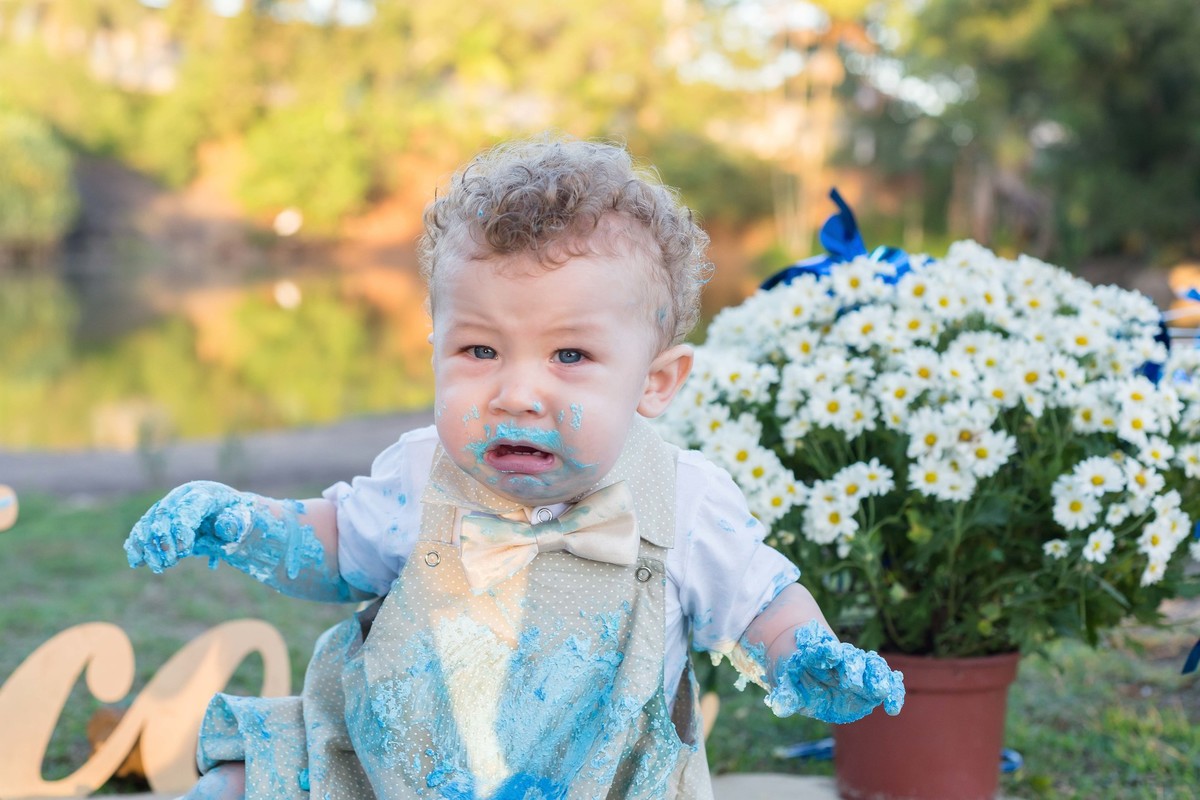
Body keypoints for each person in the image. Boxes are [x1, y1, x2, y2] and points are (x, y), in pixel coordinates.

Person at [124, 135, 904, 800]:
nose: (517, 392)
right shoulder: (421, 468)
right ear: (433, 350)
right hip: (381, 763)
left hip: (598, 783)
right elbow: (333, 548)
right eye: (479, 350)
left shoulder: (684, 498)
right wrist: (240, 522)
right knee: (234, 784)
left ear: (655, 382)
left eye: (570, 355)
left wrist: (806, 652)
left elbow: (759, 601)